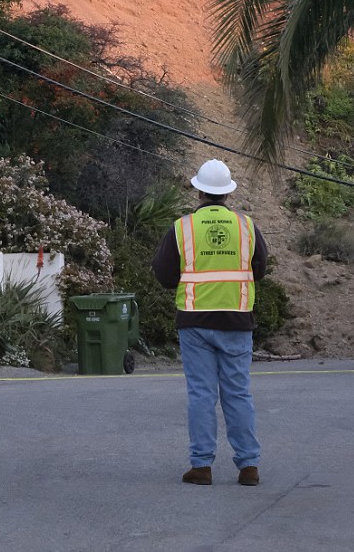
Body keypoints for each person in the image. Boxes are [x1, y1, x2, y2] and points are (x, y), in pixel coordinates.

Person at [151, 158, 268, 487]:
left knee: (201, 394)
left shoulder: (183, 228)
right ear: (228, 193)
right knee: (238, 393)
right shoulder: (247, 227)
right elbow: (260, 269)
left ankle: (201, 466)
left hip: (195, 322)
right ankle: (249, 466)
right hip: (237, 320)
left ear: (199, 191)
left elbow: (163, 273)